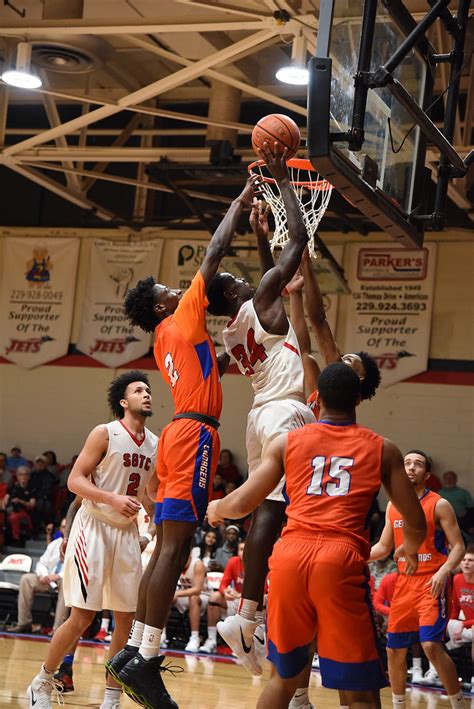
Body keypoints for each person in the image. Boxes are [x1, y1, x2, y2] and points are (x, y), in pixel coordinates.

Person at [106, 173, 261, 709]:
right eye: (167, 292)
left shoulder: (167, 339)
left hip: (180, 430)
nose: (179, 291)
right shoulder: (181, 313)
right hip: (194, 434)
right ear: (157, 307)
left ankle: (132, 651)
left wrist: (228, 359)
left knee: (164, 550)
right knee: (175, 546)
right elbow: (214, 254)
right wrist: (240, 202)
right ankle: (147, 659)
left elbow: (202, 369)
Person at [207, 363, 427, 709]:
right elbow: (415, 521)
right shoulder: (382, 448)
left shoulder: (286, 442)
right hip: (339, 560)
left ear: (317, 399)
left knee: (283, 678)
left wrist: (217, 508)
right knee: (361, 694)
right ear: (358, 399)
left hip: (290, 556)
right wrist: (410, 551)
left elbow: (245, 502)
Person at [206, 143, 315, 679]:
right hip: (284, 411)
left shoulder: (232, 327)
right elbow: (297, 242)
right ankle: (249, 614)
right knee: (273, 512)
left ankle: (247, 613)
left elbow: (268, 277)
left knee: (269, 510)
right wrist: (282, 181)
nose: (250, 276)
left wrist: (255, 229)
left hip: (258, 416)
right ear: (233, 292)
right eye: (240, 278)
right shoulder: (261, 302)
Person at [26, 371, 158, 709]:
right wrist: (111, 499)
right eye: (138, 390)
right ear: (123, 402)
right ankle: (42, 681)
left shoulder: (156, 444)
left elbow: (148, 493)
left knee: (125, 621)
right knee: (82, 616)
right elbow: (74, 480)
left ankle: (110, 699)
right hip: (94, 526)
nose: (147, 394)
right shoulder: (105, 433)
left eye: (148, 389)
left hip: (127, 532)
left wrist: (161, 517)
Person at [370, 449, 467, 709]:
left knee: (431, 645)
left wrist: (444, 571)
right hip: (403, 582)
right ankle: (398, 705)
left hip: (432, 582)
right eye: (407, 463)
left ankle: (459, 703)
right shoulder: (392, 505)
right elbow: (382, 547)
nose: (411, 467)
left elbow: (458, 546)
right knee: (393, 649)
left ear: (427, 473)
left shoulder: (439, 503)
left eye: (418, 464)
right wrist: (353, 556)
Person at [285, 248, 381, 417]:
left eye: (348, 360)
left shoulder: (337, 394)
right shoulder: (320, 390)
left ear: (359, 378)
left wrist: (307, 264)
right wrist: (295, 293)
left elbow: (319, 320)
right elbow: (303, 350)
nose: (339, 359)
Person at [7, 518, 68, 634]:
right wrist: (44, 576)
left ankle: (58, 629)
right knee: (26, 579)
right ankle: (24, 623)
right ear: (60, 529)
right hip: (47, 579)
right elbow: (42, 562)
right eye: (63, 526)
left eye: (68, 526)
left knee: (66, 584)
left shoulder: (78, 544)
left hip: (63, 580)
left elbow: (75, 569)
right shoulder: (54, 544)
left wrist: (57, 576)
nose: (65, 529)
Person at [200, 540, 246, 654]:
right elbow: (223, 584)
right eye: (241, 549)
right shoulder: (233, 561)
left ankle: (244, 644)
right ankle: (211, 640)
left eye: (245, 549)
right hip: (235, 598)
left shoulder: (257, 563)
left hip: (251, 602)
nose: (243, 552)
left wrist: (241, 595)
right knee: (214, 597)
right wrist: (225, 592)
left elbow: (263, 589)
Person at [160, 552, 207, 653]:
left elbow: (198, 590)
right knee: (166, 597)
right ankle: (162, 635)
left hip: (204, 596)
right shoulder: (176, 563)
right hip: (185, 595)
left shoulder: (198, 564)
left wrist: (176, 594)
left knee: (193, 598)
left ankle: (195, 638)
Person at [446, 545, 474, 690]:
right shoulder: (457, 579)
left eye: (470, 560)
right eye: (463, 560)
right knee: (436, 626)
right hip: (466, 626)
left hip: (471, 626)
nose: (466, 563)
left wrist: (463, 625)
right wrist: (450, 623)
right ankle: (435, 672)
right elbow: (455, 607)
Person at [5, 466, 36, 544]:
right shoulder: (12, 487)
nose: (23, 476)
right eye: (20, 474)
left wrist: (20, 501)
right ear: (17, 476)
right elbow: (6, 499)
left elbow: (32, 504)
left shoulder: (32, 488)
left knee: (14, 517)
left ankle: (16, 538)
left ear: (29, 477)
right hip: (11, 510)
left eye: (25, 474)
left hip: (26, 511)